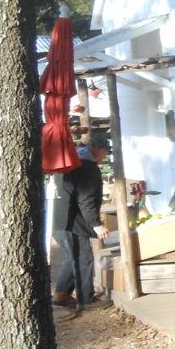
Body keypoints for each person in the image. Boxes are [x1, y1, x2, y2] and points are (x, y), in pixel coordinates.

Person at [50, 133, 110, 313]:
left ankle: (61, 295)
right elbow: (86, 199)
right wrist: (96, 225)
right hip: (72, 222)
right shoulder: (87, 167)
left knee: (73, 256)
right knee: (84, 258)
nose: (104, 158)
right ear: (100, 150)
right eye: (105, 154)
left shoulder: (69, 161)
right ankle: (86, 300)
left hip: (58, 219)